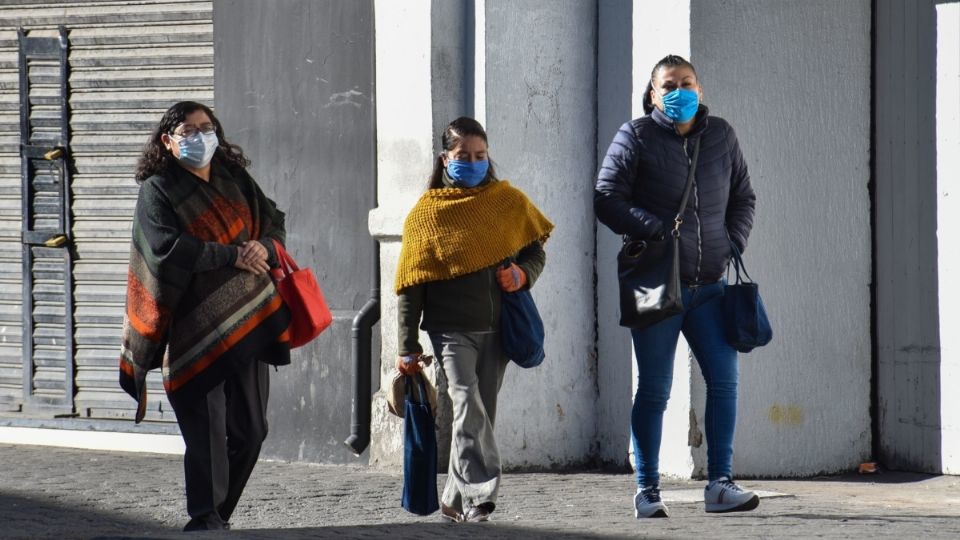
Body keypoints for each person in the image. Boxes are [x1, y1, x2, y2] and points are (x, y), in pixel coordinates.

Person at [594, 55, 759, 518]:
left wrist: (732, 241)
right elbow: (606, 198)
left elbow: (743, 196)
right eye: (669, 84)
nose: (679, 90)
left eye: (687, 82)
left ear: (700, 90)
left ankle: (720, 484)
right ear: (653, 94)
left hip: (710, 287)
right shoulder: (636, 136)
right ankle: (647, 489)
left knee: (725, 381)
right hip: (657, 286)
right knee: (655, 389)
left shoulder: (721, 136)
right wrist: (654, 228)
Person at [120, 101, 291, 531]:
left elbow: (274, 222)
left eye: (206, 127)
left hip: (249, 319)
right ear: (168, 141)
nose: (200, 136)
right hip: (190, 330)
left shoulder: (235, 180)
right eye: (189, 130)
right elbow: (165, 249)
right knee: (207, 433)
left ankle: (218, 513)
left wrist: (264, 248)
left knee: (252, 432)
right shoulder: (158, 190)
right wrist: (233, 255)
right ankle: (205, 516)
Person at [394, 117, 553, 523]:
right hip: (449, 331)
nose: (473, 162)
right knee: (466, 404)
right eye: (463, 155)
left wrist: (522, 275)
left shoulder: (507, 202)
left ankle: (452, 497)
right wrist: (406, 346)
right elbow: (411, 286)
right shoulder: (425, 216)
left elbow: (534, 253)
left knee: (481, 415)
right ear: (445, 158)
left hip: (497, 327)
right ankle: (482, 497)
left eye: (480, 155)